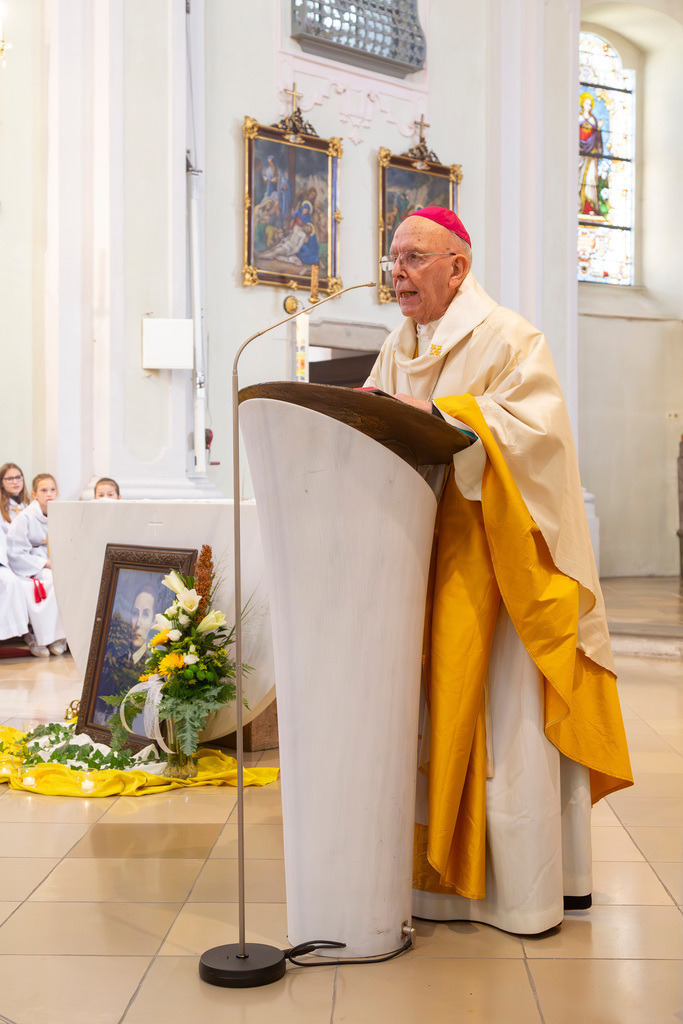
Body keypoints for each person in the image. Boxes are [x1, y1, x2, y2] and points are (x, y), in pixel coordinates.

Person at [365, 206, 633, 935]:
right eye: (393, 257)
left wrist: (444, 416)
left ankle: (520, 890)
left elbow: (535, 434)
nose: (398, 270)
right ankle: (434, 883)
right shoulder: (397, 344)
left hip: (498, 561)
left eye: (415, 257)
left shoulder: (512, 336)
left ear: (458, 266)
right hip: (419, 553)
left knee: (506, 716)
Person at [7, 474, 67, 656]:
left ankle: (59, 637)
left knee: (66, 582)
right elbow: (15, 551)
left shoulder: (62, 514)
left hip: (55, 562)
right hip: (33, 564)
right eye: (43, 490)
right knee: (52, 582)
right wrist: (44, 563)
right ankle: (41, 638)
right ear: (34, 494)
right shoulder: (25, 518)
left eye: (52, 490)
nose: (49, 494)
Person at [0, 463, 30, 533]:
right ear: (1, 483)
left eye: (18, 477)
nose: (15, 482)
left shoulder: (29, 505)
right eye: (9, 479)